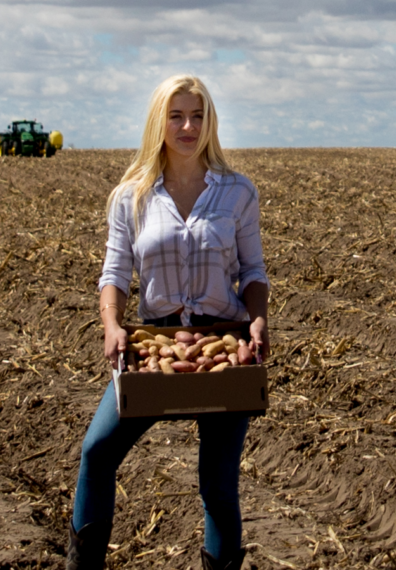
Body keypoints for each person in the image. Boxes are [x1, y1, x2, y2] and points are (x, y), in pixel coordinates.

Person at [67, 75, 270, 570]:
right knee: (97, 453)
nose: (187, 126)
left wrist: (259, 321)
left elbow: (253, 271)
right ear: (159, 121)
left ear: (211, 122)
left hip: (222, 344)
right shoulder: (131, 196)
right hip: (155, 344)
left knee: (218, 486)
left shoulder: (238, 192)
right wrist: (112, 326)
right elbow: (114, 273)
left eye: (198, 116)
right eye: (176, 115)